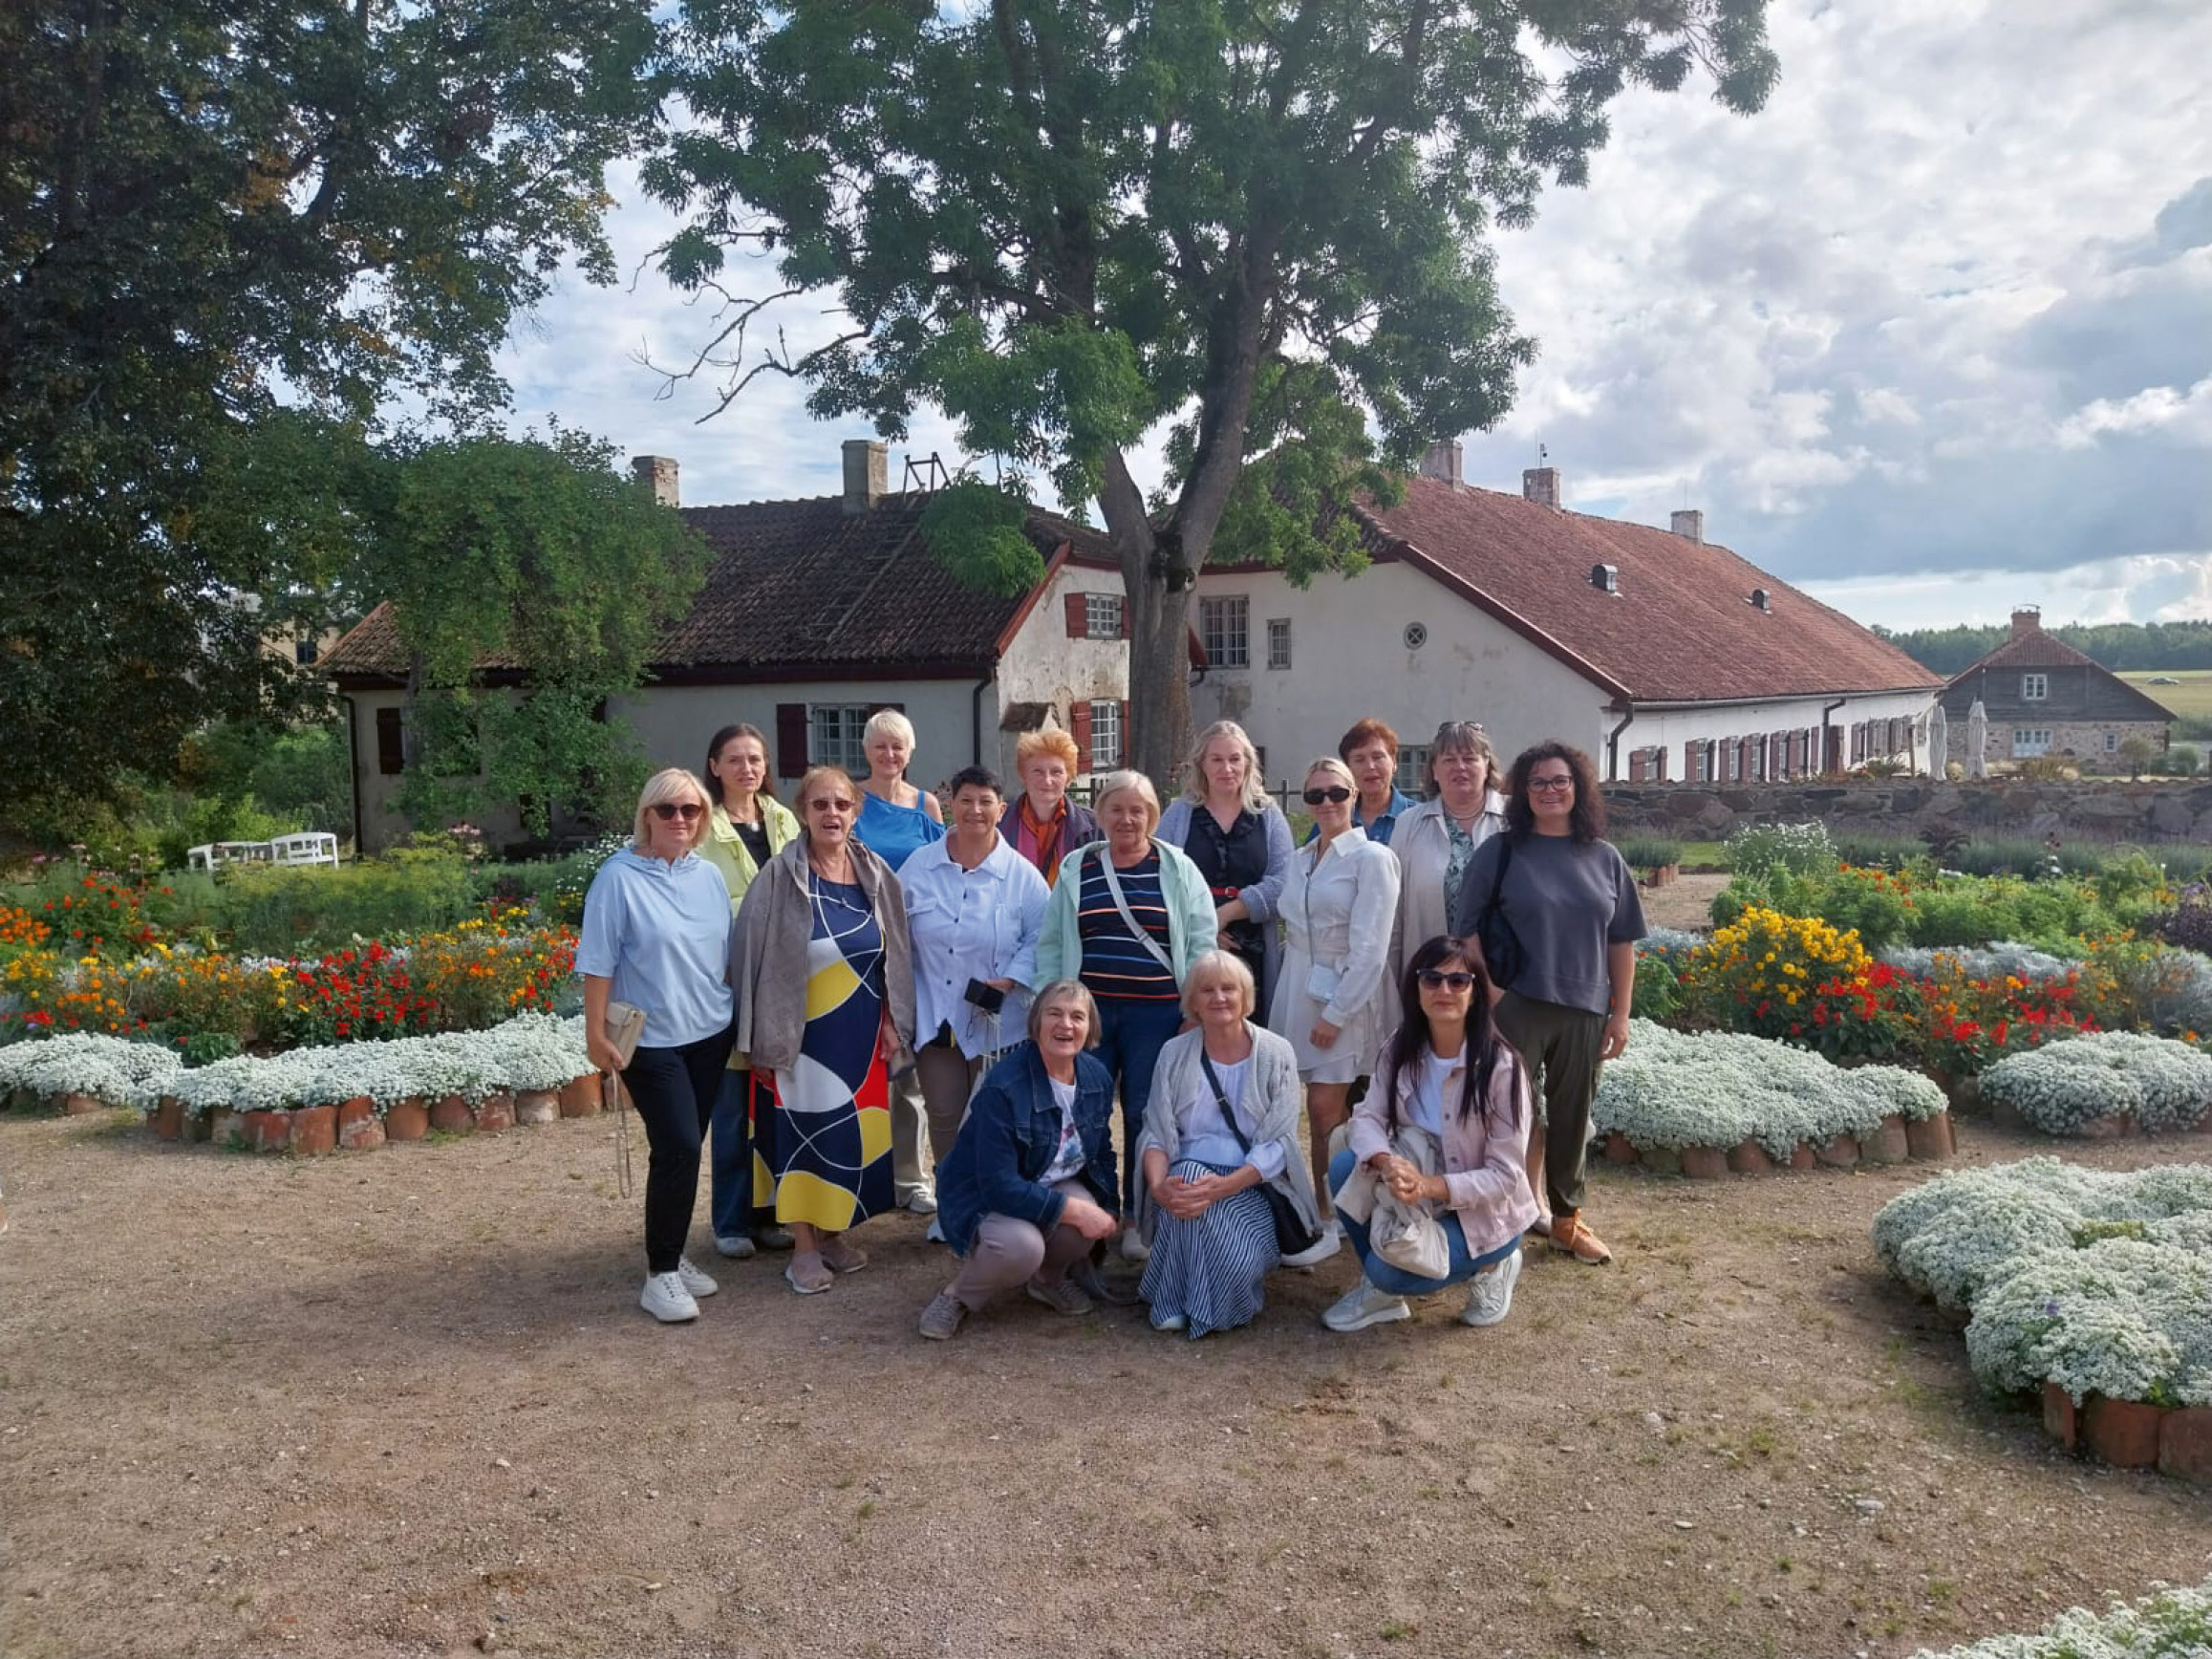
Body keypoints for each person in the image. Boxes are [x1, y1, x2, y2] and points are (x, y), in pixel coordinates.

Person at [1449, 741, 1645, 1266]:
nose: (1550, 791)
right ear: (1522, 792)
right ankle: (1489, 1217)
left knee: (1570, 1115)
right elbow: (1466, 933)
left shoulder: (1605, 858)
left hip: (1585, 1009)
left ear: (1578, 789)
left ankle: (1566, 1220)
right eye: (1538, 783)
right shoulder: (1502, 852)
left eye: (1560, 781)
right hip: (1517, 1005)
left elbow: (1621, 942)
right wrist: (1494, 996)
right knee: (1501, 1114)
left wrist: (1620, 1013)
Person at [730, 765, 918, 1295]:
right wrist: (757, 1033)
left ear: (856, 812)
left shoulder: (876, 872)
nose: (831, 814)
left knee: (846, 1136)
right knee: (798, 1136)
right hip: (799, 1033)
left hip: (859, 1033)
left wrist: (892, 1021)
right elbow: (748, 956)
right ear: (803, 813)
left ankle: (833, 1233)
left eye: (841, 804)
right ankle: (804, 1249)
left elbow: (896, 955)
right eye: (820, 805)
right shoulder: (779, 876)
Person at [1035, 768, 1216, 1258]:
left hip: (1156, 1015)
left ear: (1153, 816)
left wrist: (1194, 1009)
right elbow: (1052, 943)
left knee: (1144, 1113)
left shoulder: (1177, 868)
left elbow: (1201, 941)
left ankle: (1139, 1215)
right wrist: (1048, 1005)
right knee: (1083, 1112)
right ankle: (1092, 1213)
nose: (1127, 819)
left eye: (1138, 810)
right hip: (1088, 1016)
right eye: (1116, 808)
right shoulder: (1078, 867)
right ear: (1101, 813)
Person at [578, 768, 737, 1324]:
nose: (679, 820)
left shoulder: (709, 876)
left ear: (703, 819)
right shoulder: (617, 879)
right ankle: (661, 1273)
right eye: (667, 810)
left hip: (710, 1033)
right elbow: (596, 963)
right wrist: (595, 1035)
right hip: (652, 1041)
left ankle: (672, 1251)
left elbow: (723, 951)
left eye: (690, 811)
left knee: (686, 1148)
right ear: (646, 815)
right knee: (678, 1147)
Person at [1321, 937, 1540, 1332]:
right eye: (1432, 979)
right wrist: (1386, 1163)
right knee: (1344, 1167)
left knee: (1391, 1272)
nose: (1444, 990)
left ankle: (1494, 1266)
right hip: (1418, 1192)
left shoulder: (1501, 1069)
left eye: (1458, 980)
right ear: (1416, 988)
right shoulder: (1400, 1049)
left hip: (1482, 1213)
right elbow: (1367, 1117)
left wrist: (1429, 1185)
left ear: (1475, 993)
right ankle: (1381, 1295)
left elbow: (1507, 1176)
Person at [918, 980, 1121, 1340]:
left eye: (1078, 1016)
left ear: (1090, 1028)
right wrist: (1075, 1211)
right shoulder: (1004, 1086)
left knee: (1083, 1228)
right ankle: (958, 1296)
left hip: (1048, 1179)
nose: (1066, 1025)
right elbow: (998, 1186)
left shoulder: (1097, 1077)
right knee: (1022, 1247)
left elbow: (1101, 1149)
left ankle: (1047, 1280)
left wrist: (1109, 1210)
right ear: (1036, 1022)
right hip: (983, 1196)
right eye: (1054, 1013)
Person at [1137, 952, 1321, 1338]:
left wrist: (1224, 1186)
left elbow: (1279, 1143)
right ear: (1193, 1002)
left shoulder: (1276, 1053)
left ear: (1246, 997)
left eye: (1228, 988)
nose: (1219, 997)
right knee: (1186, 1181)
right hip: (1184, 1180)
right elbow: (1156, 1132)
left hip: (1252, 1185)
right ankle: (1182, 1303)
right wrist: (1158, 1188)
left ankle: (1171, 1298)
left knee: (1231, 1254)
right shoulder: (1173, 1053)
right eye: (1207, 990)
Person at [900, 765, 1050, 1185]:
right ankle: (954, 1203)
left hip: (1000, 1025)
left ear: (1001, 809)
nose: (975, 810)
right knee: (945, 1116)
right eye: (966, 800)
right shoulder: (919, 867)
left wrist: (1014, 978)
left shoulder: (1022, 876)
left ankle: (995, 1200)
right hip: (937, 1018)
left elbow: (1044, 935)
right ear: (950, 804)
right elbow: (895, 933)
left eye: (986, 802)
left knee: (993, 1116)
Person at [1272, 756, 1401, 1234]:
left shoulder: (1373, 859)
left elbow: (1371, 947)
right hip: (1298, 983)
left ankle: (1332, 1213)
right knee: (1317, 1106)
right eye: (1315, 795)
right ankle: (1335, 1201)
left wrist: (1338, 1011)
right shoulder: (1301, 859)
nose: (1326, 803)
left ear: (1354, 797)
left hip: (1345, 993)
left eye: (1336, 793)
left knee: (1326, 1106)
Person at [696, 723, 802, 1260]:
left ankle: (772, 1215)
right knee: (734, 1110)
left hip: (781, 983)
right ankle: (732, 1219)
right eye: (734, 760)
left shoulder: (785, 820)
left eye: (755, 759)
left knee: (777, 1107)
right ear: (714, 766)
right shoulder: (701, 825)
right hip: (729, 983)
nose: (747, 769)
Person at [851, 707, 946, 1216]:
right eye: (880, 746)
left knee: (907, 1069)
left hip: (913, 949)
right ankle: (863, 1177)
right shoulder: (852, 802)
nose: (889, 755)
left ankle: (911, 1179)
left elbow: (941, 867)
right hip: (862, 945)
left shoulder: (927, 805)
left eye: (898, 747)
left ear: (911, 753)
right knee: (859, 1066)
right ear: (866, 751)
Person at [1157, 720, 1293, 1011]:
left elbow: (1283, 881)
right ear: (1201, 764)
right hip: (1190, 940)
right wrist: (1207, 929)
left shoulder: (1268, 814)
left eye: (1234, 759)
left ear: (1248, 763)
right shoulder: (1179, 814)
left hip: (1253, 943)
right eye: (1216, 759)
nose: (1226, 768)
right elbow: (1159, 877)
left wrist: (1227, 913)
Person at [1390, 721, 1507, 980]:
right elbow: (1394, 914)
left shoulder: (1515, 820)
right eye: (1449, 759)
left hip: (1503, 979)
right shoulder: (1408, 824)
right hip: (1431, 975)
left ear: (1487, 766)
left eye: (1469, 758)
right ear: (1433, 770)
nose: (1460, 767)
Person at [1000, 728, 1102, 887]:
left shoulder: (1095, 826)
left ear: (1068, 777)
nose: (1047, 781)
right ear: (1023, 775)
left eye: (1056, 772)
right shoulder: (998, 823)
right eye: (1038, 771)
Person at [1332, 718, 1423, 847]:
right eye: (1359, 760)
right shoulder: (1333, 817)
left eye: (1377, 757)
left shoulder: (1420, 819)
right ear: (1347, 769)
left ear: (1394, 763)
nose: (1370, 766)